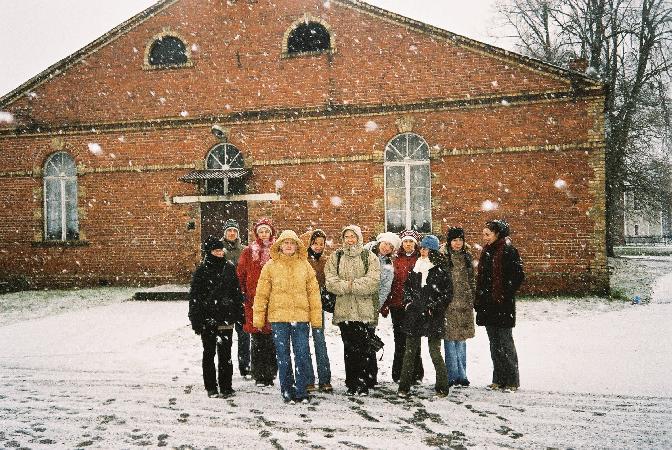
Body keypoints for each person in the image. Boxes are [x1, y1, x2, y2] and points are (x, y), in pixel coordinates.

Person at [253, 229, 322, 404]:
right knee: (283, 356)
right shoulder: (270, 266)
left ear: (297, 246)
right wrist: (259, 318)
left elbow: (313, 294)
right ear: (280, 246)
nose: (289, 246)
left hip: (300, 319)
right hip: (279, 320)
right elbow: (261, 295)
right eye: (286, 243)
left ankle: (301, 391)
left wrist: (316, 319)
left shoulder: (304, 265)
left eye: (292, 243)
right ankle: (287, 390)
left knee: (302, 354)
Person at [325, 225, 380, 396]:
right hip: (344, 310)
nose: (350, 240)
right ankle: (352, 382)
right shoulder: (336, 256)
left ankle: (363, 383)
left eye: (353, 236)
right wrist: (350, 286)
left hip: (363, 310)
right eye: (347, 236)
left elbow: (373, 281)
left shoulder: (369, 257)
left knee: (363, 348)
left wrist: (348, 285)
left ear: (359, 238)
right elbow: (330, 281)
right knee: (349, 348)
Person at [188, 236, 244, 398]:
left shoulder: (229, 268)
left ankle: (226, 386)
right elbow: (195, 297)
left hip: (226, 317)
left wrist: (238, 313)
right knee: (209, 353)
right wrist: (196, 319)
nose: (219, 253)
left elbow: (236, 292)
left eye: (221, 250)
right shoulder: (202, 271)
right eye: (216, 251)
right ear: (209, 252)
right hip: (208, 319)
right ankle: (211, 386)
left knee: (226, 354)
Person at [397, 235, 451, 398]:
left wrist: (433, 307)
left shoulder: (441, 268)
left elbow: (447, 294)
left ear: (433, 250)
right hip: (414, 314)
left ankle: (442, 387)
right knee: (409, 352)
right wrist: (408, 302)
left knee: (434, 352)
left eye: (426, 248)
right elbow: (407, 287)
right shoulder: (416, 265)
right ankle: (403, 387)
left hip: (432, 315)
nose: (422, 251)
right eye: (421, 248)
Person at [475, 219, 524, 393]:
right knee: (494, 344)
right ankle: (498, 379)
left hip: (503, 306)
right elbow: (482, 279)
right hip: (489, 306)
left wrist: (504, 294)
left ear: (497, 234)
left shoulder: (509, 251)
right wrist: (480, 299)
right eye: (483, 234)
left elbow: (518, 276)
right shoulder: (487, 251)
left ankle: (512, 380)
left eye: (487, 234)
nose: (484, 237)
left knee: (506, 343)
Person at [236, 218, 278, 387]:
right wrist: (243, 293)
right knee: (257, 337)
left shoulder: (277, 250)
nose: (264, 234)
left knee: (272, 337)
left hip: (273, 299)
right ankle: (259, 374)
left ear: (271, 232)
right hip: (253, 301)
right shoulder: (248, 251)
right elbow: (241, 274)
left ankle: (271, 372)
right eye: (261, 231)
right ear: (256, 233)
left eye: (266, 231)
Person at [380, 229, 424, 384]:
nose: (408, 244)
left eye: (411, 241)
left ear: (415, 244)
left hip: (414, 306)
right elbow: (388, 284)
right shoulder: (395, 260)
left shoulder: (420, 260)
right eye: (405, 241)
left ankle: (416, 374)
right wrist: (385, 304)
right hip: (397, 305)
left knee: (413, 340)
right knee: (399, 340)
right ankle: (398, 373)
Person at [366, 231, 401, 388]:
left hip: (372, 307)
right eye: (385, 243)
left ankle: (369, 376)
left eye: (390, 246)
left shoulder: (388, 266)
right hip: (355, 303)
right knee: (355, 340)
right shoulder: (364, 254)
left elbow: (385, 289)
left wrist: (375, 306)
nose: (386, 247)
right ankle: (357, 374)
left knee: (369, 338)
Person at [443, 226, 476, 387]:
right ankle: (452, 374)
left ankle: (462, 374)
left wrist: (472, 298)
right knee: (449, 339)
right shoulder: (443, 257)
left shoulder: (467, 257)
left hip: (464, 304)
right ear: (449, 242)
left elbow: (472, 279)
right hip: (448, 304)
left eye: (460, 240)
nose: (457, 243)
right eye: (454, 240)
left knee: (461, 340)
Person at [301, 229, 333, 393]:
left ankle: (325, 378)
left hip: (318, 305)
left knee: (320, 341)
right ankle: (308, 379)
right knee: (303, 342)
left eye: (321, 244)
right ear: (309, 244)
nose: (319, 247)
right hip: (302, 305)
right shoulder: (303, 260)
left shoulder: (326, 261)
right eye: (315, 243)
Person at [221, 218, 251, 379]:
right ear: (225, 233)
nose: (232, 233)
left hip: (241, 298)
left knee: (244, 334)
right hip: (225, 300)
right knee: (225, 336)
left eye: (234, 231)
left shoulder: (245, 250)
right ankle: (225, 368)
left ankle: (245, 366)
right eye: (229, 231)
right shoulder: (218, 250)